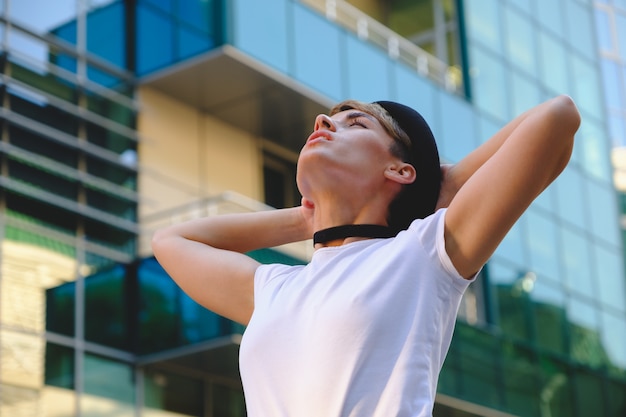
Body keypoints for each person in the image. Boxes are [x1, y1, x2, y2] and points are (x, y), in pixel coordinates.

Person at [151, 95, 580, 417]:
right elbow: (171, 241)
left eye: (356, 124)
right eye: (328, 120)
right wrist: (308, 218)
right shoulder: (277, 288)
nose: (323, 121)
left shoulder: (423, 254)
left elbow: (557, 118)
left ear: (399, 171)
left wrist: (443, 187)